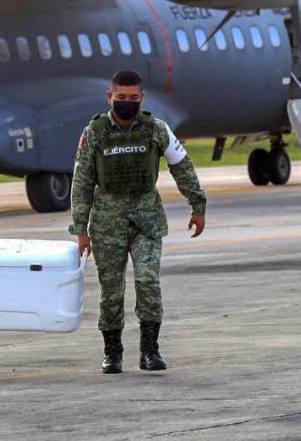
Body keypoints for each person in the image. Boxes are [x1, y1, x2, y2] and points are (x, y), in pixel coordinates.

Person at [70, 69, 207, 374]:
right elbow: (81, 183)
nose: (127, 103)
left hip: (146, 221)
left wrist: (197, 204)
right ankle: (113, 352)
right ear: (110, 97)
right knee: (111, 289)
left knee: (147, 281)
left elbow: (181, 166)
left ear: (142, 98)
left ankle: (150, 349)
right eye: (121, 98)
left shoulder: (156, 130)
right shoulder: (94, 133)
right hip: (107, 224)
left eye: (133, 98)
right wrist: (80, 229)